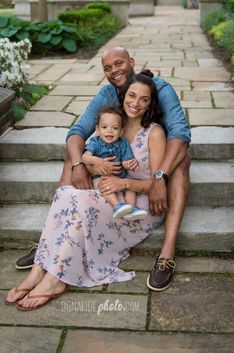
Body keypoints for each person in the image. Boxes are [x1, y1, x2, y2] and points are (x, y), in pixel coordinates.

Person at [15, 47, 191, 292]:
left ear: (132, 62)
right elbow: (78, 132)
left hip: (154, 163)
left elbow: (180, 135)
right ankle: (52, 239)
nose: (114, 71)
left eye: (119, 64)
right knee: (73, 159)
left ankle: (166, 254)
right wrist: (82, 163)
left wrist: (160, 178)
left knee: (180, 163)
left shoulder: (160, 90)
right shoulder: (109, 96)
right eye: (108, 68)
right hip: (119, 174)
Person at [5, 71, 166, 310]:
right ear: (123, 95)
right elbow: (88, 156)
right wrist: (92, 163)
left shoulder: (154, 133)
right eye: (132, 95)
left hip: (137, 205)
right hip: (109, 191)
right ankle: (40, 270)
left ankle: (54, 279)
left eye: (144, 99)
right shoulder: (110, 124)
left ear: (151, 102)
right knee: (66, 194)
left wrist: (124, 183)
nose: (136, 103)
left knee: (80, 207)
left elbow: (157, 184)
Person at [82, 105, 148, 220]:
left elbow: (125, 161)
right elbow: (85, 157)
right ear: (97, 129)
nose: (109, 131)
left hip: (120, 178)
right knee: (105, 185)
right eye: (104, 127)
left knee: (131, 187)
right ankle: (117, 206)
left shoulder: (123, 143)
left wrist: (128, 163)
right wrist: (97, 161)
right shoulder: (95, 142)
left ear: (121, 131)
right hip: (102, 177)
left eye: (115, 128)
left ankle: (131, 209)